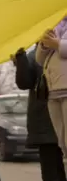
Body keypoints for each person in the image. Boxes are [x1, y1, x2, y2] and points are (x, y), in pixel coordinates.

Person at [14, 47, 67, 181]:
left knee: (63, 157)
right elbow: (24, 82)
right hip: (44, 116)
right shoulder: (34, 55)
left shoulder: (62, 48)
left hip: (63, 110)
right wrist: (21, 59)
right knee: (50, 159)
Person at [36, 17, 67, 156]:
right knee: (62, 142)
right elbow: (39, 60)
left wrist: (58, 44)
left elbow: (60, 47)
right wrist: (44, 45)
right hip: (54, 91)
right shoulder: (55, 26)